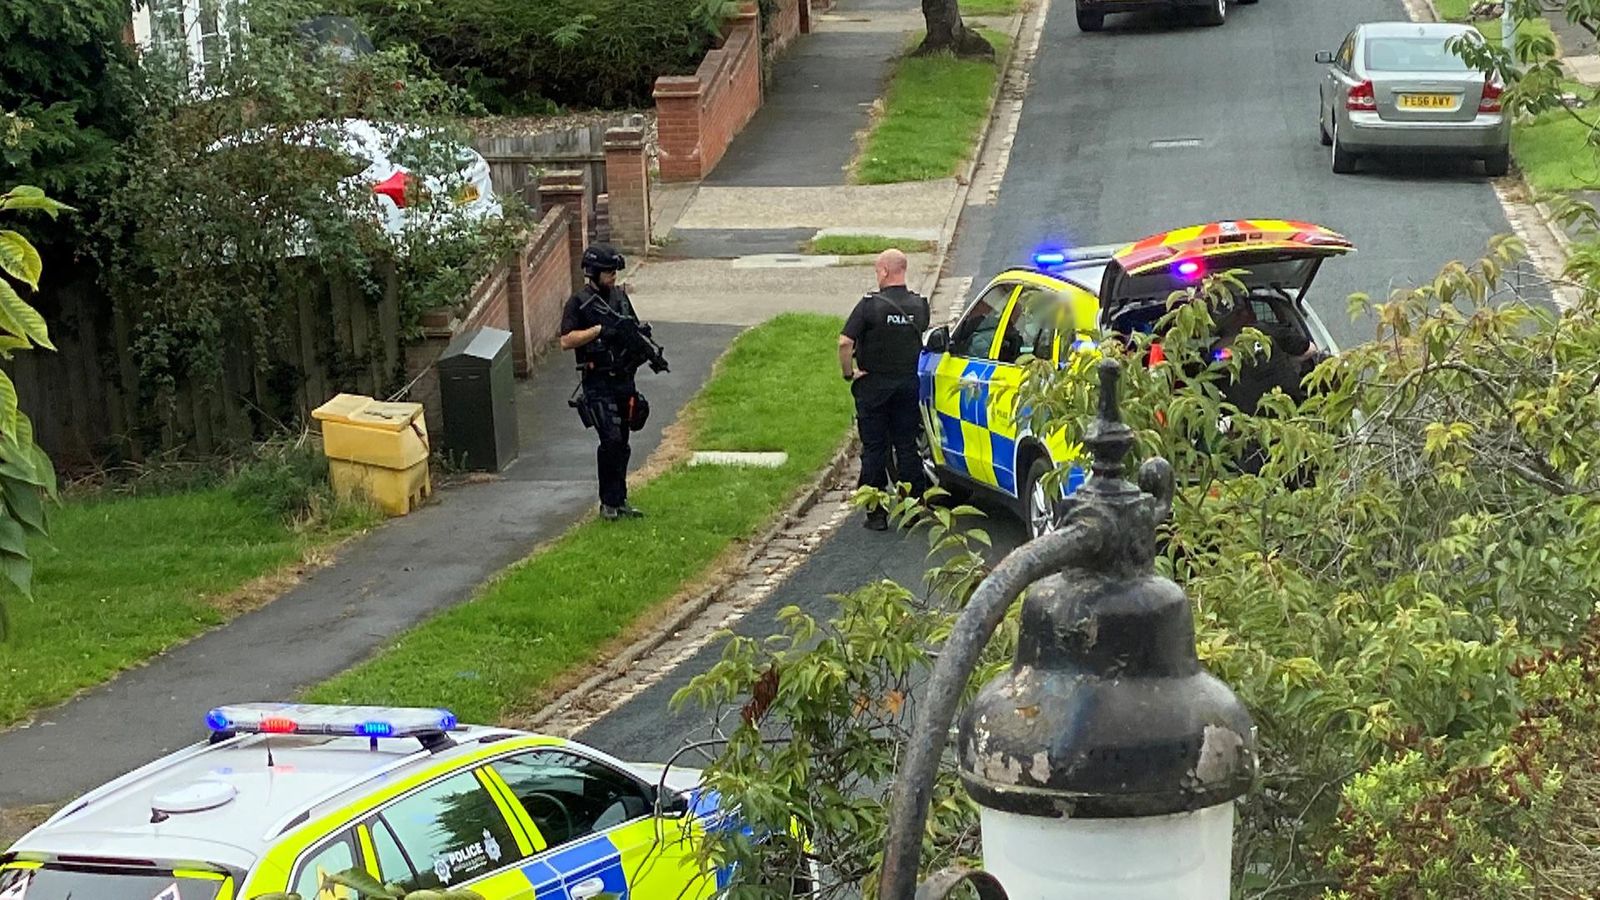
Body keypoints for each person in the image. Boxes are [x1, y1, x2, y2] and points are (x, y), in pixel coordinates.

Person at [838, 249, 932, 531]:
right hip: (906, 385)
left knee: (875, 448)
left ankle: (876, 513)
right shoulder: (920, 306)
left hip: (874, 387)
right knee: (907, 447)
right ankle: (913, 509)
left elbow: (844, 342)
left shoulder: (870, 306)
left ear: (884, 272)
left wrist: (848, 373)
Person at [560, 244, 651, 521]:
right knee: (610, 440)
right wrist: (598, 330)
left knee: (622, 442)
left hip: (623, 379)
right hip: (597, 381)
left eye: (614, 272)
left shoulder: (621, 298)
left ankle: (619, 500)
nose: (613, 277)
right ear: (594, 272)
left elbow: (633, 327)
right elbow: (566, 340)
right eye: (609, 272)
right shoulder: (579, 303)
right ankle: (607, 503)